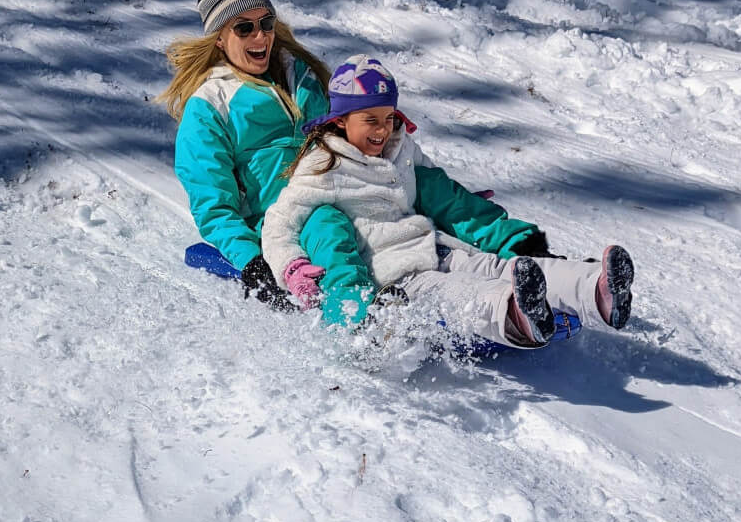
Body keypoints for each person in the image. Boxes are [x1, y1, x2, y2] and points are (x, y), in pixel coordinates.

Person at [261, 56, 635, 347]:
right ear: (341, 120)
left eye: (389, 118)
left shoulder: (399, 147)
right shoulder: (323, 165)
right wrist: (291, 268)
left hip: (435, 246)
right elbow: (279, 223)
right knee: (460, 294)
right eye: (369, 119)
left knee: (496, 266)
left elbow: (436, 184)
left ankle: (597, 289)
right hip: (395, 273)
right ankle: (517, 316)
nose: (381, 130)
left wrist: (467, 204)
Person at [159, 0, 375, 321]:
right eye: (244, 27)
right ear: (218, 38)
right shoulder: (210, 106)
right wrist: (250, 259)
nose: (260, 35)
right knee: (330, 232)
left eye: (266, 22)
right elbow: (214, 205)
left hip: (343, 190)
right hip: (287, 219)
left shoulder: (301, 76)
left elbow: (345, 141)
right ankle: (355, 323)